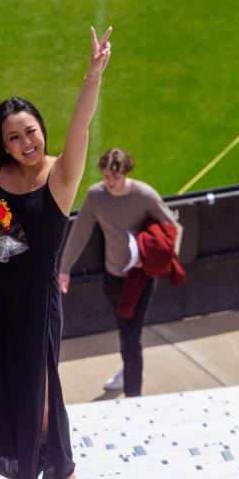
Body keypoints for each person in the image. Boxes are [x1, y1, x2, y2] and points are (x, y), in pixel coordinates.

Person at [0, 27, 112, 479]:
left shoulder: (61, 175)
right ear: (5, 144)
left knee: (41, 384)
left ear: (41, 130)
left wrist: (92, 76)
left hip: (38, 300)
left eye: (30, 131)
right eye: (13, 137)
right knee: (11, 383)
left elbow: (81, 129)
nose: (25, 142)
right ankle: (31, 469)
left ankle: (57, 471)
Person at [59, 148, 182, 397]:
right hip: (112, 276)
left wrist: (149, 258)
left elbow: (173, 228)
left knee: (131, 336)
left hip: (140, 278)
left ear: (126, 172)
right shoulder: (96, 196)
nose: (110, 182)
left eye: (115, 177)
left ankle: (134, 395)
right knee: (125, 331)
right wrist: (64, 270)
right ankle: (129, 367)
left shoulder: (144, 195)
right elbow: (79, 233)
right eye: (106, 176)